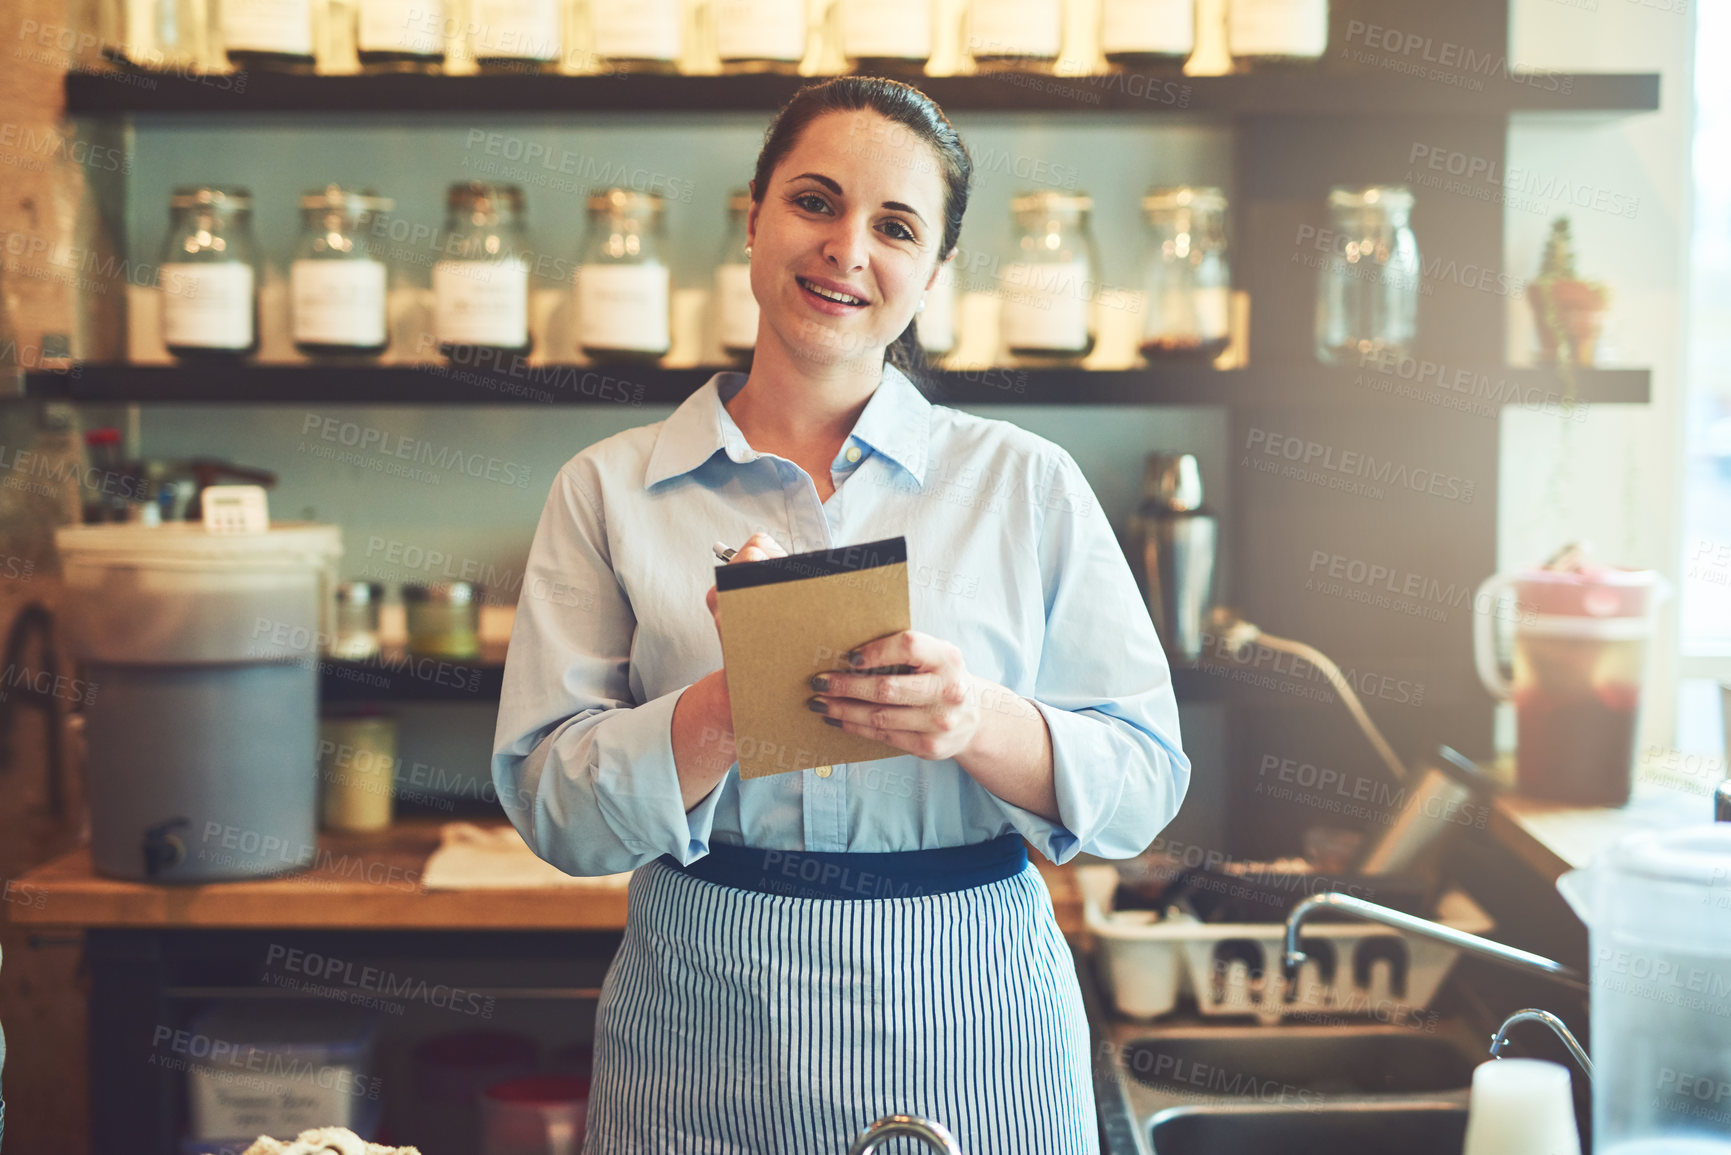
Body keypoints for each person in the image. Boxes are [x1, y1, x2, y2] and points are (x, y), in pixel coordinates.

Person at [491, 75, 1190, 1153]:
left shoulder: (1027, 484)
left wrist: (973, 720)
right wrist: (733, 704)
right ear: (755, 217)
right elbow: (552, 809)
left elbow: (1144, 786)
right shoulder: (606, 489)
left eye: (896, 226)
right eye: (815, 203)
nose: (847, 249)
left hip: (975, 1012)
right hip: (701, 1019)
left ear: (938, 270)